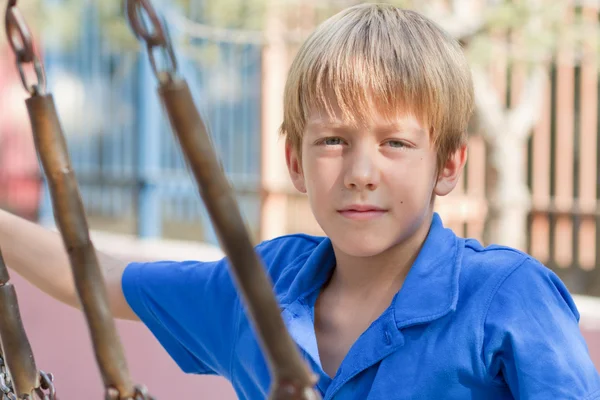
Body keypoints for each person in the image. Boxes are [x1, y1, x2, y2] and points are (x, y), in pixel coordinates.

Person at [1, 3, 599, 399]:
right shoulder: (261, 286)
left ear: (448, 165)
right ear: (295, 162)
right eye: (334, 141)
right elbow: (91, 270)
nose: (362, 172)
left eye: (395, 143)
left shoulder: (507, 299)